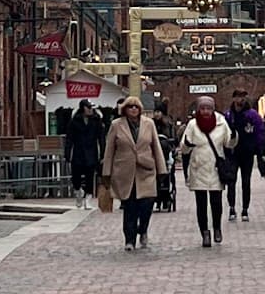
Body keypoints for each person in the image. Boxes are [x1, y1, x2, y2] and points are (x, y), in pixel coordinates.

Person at [101, 95, 167, 250]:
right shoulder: (116, 125)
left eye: (136, 107)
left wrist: (161, 169)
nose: (133, 109)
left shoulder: (149, 124)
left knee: (147, 203)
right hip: (125, 172)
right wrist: (106, 172)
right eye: (130, 107)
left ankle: (143, 229)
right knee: (130, 206)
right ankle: (129, 240)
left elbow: (156, 147)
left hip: (146, 169)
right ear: (124, 109)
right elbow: (110, 150)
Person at [179, 95, 237, 247]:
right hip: (198, 166)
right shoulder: (192, 125)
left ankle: (217, 228)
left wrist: (233, 138)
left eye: (208, 108)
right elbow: (183, 149)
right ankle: (204, 232)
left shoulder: (221, 122)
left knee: (216, 201)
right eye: (202, 108)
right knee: (201, 203)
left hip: (216, 167)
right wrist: (187, 144)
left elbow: (228, 143)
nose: (205, 111)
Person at [224, 90, 265, 222]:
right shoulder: (228, 115)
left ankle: (244, 209)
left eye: (243, 97)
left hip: (247, 152)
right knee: (231, 182)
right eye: (238, 97)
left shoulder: (252, 115)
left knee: (246, 182)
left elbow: (260, 132)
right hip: (231, 152)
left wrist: (260, 150)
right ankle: (232, 208)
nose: (241, 100)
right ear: (233, 99)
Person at [65, 99, 104, 208]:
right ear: (83, 108)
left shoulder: (97, 121)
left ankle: (88, 198)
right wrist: (67, 153)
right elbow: (69, 139)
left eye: (92, 107)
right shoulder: (74, 121)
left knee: (90, 176)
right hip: (78, 152)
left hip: (91, 152)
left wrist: (103, 154)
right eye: (89, 107)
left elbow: (101, 138)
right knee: (75, 176)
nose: (91, 110)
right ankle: (78, 192)